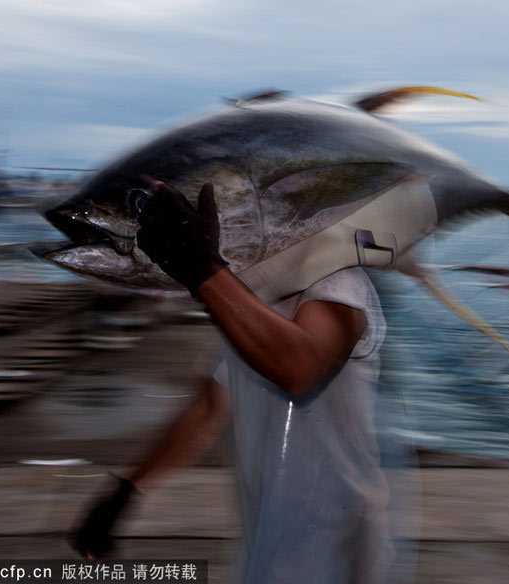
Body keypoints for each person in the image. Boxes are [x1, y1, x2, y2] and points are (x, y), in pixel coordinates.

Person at [70, 178, 396, 583]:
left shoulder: (336, 282)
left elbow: (301, 368)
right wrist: (126, 491)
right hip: (273, 529)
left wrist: (201, 268)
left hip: (337, 535)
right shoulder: (255, 303)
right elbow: (210, 408)